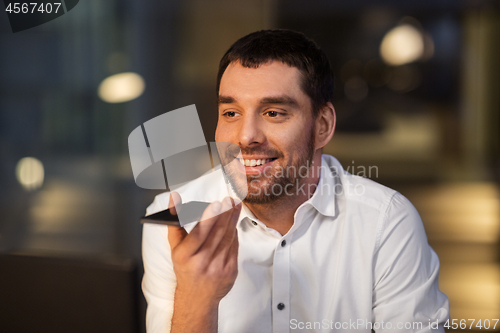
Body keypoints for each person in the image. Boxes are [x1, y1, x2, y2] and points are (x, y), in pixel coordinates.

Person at [142, 29, 449, 333]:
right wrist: (197, 299)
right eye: (231, 112)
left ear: (323, 125)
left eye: (273, 113)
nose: (246, 137)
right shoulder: (176, 219)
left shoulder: (385, 222)